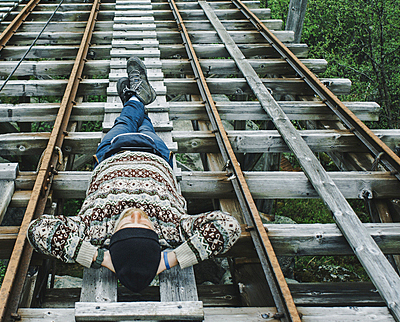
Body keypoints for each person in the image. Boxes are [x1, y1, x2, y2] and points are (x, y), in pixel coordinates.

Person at [28, 57, 241, 292]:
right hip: (154, 151)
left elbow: (39, 230)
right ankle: (136, 97)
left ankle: (135, 98)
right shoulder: (173, 227)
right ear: (156, 237)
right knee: (143, 122)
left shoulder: (92, 228)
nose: (137, 214)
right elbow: (228, 227)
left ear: (113, 236)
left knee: (127, 119)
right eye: (146, 223)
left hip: (113, 149)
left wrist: (102, 259)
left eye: (128, 222)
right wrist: (167, 260)